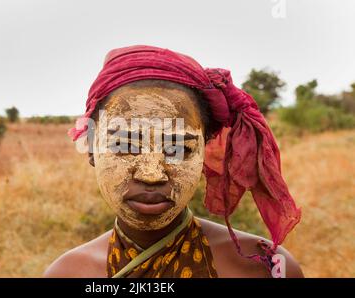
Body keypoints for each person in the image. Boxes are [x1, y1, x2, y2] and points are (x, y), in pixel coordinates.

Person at [44, 45, 303, 278]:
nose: (151, 173)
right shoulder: (67, 274)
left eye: (178, 148)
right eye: (125, 145)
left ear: (204, 149)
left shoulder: (265, 270)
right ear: (91, 148)